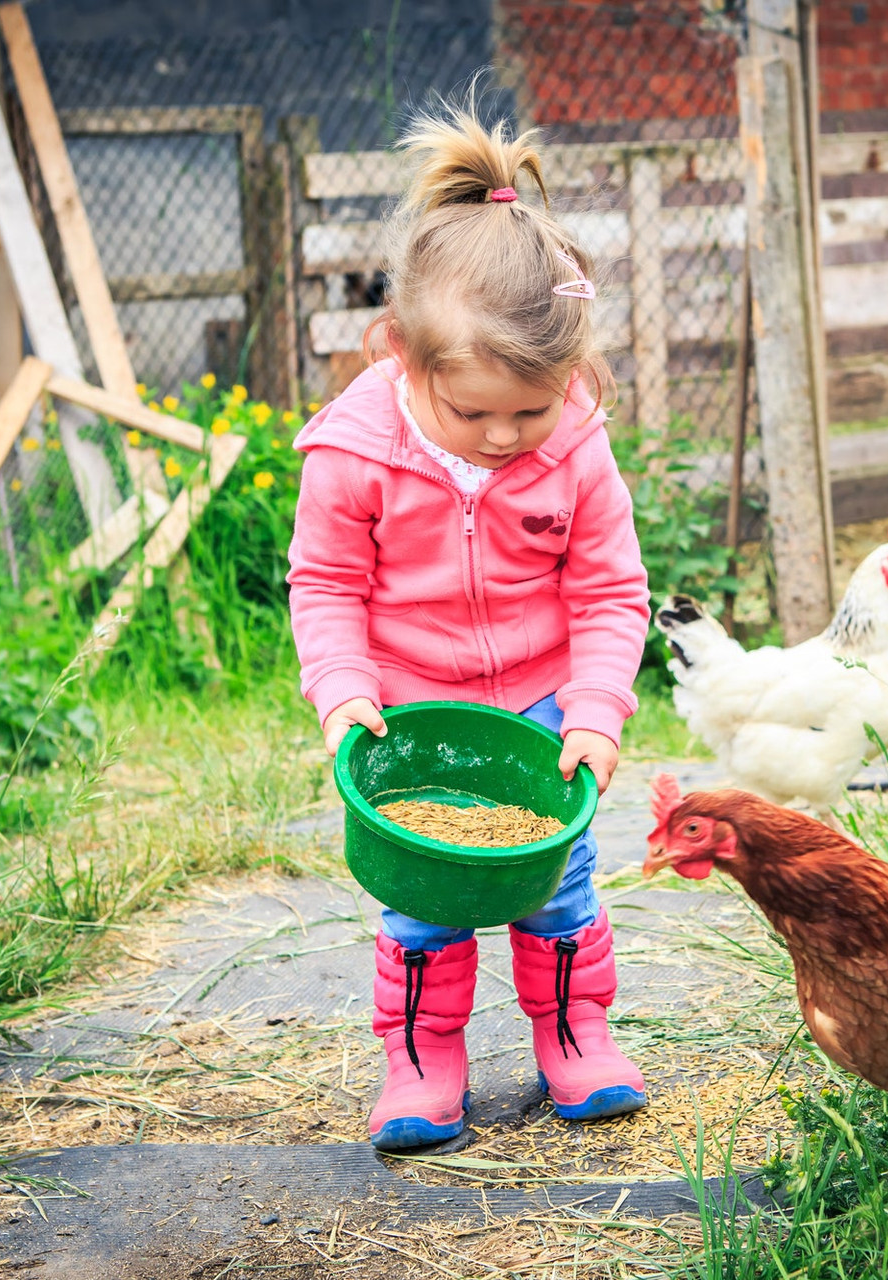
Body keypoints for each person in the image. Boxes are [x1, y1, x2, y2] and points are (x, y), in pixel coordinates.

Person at [286, 105, 652, 1152]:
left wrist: (594, 709)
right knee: (421, 904)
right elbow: (324, 585)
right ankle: (420, 1058)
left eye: (529, 414)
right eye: (475, 414)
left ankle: (576, 1033)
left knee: (560, 886)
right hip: (411, 714)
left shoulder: (576, 444)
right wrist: (345, 688)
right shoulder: (352, 453)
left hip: (540, 709)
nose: (504, 438)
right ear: (399, 353)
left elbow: (608, 590)